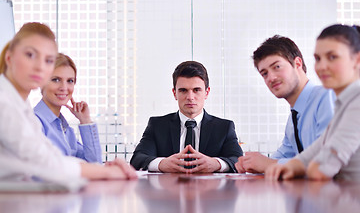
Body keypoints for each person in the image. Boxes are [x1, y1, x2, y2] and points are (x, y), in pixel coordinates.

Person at [0, 22, 137, 181]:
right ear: (9, 58)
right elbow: (47, 164)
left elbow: (57, 157)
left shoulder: (24, 109)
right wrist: (107, 172)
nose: (40, 66)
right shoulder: (5, 104)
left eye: (48, 60)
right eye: (30, 55)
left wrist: (104, 168)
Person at [266, 24, 360, 181]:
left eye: (332, 57)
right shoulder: (344, 104)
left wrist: (304, 166)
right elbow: (314, 153)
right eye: (318, 59)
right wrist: (295, 165)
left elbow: (321, 168)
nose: (322, 66)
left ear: (357, 60)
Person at [235, 35, 335, 174]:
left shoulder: (327, 97)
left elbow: (328, 159)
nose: (271, 77)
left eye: (277, 67)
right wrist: (251, 163)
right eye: (264, 73)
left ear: (298, 64)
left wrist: (269, 164)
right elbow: (283, 156)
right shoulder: (294, 119)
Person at [130, 61, 243, 173]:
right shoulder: (157, 125)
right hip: (168, 189)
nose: (190, 97)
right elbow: (137, 159)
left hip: (209, 189)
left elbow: (238, 160)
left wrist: (216, 164)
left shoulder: (224, 127)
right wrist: (161, 164)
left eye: (196, 90)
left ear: (206, 93)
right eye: (183, 90)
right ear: (175, 93)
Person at [34, 53, 102, 163]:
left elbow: (95, 163)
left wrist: (85, 121)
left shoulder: (65, 129)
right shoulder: (33, 123)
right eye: (56, 79)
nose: (64, 88)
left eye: (70, 81)